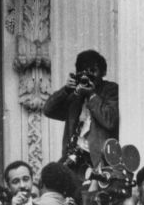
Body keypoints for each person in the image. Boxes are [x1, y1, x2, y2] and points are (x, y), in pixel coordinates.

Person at [43, 49, 119, 178]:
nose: (87, 77)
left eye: (92, 71)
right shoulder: (75, 95)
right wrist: (66, 90)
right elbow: (48, 110)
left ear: (103, 72)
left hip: (97, 159)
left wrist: (92, 95)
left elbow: (109, 121)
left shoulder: (110, 90)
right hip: (73, 158)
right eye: (83, 72)